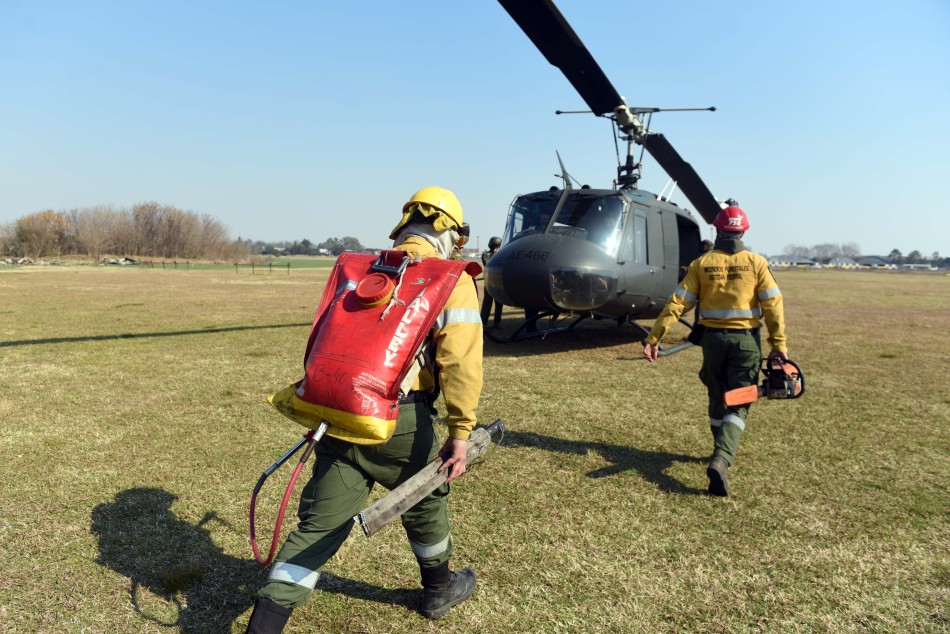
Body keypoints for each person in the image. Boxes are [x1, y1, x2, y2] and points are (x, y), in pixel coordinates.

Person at [246, 186, 484, 632]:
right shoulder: (452, 278)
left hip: (339, 415)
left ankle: (264, 624)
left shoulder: (365, 271)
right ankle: (439, 588)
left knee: (317, 528)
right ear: (451, 232)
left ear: (405, 225)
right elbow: (461, 365)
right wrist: (461, 432)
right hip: (401, 420)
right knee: (424, 501)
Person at [642, 206, 787, 497]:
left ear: (718, 230)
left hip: (712, 341)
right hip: (746, 342)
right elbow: (773, 305)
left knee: (717, 393)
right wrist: (779, 345)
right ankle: (722, 457)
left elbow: (677, 303)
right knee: (740, 399)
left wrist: (655, 337)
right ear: (743, 231)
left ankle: (718, 446)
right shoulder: (756, 263)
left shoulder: (702, 263)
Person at [480, 236, 503, 328]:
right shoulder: (486, 255)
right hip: (489, 283)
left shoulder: (502, 254)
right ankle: (483, 322)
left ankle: (497, 323)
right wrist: (495, 255)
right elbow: (488, 265)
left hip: (499, 283)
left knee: (499, 304)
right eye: (495, 246)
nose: (496, 248)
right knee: (487, 303)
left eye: (498, 246)